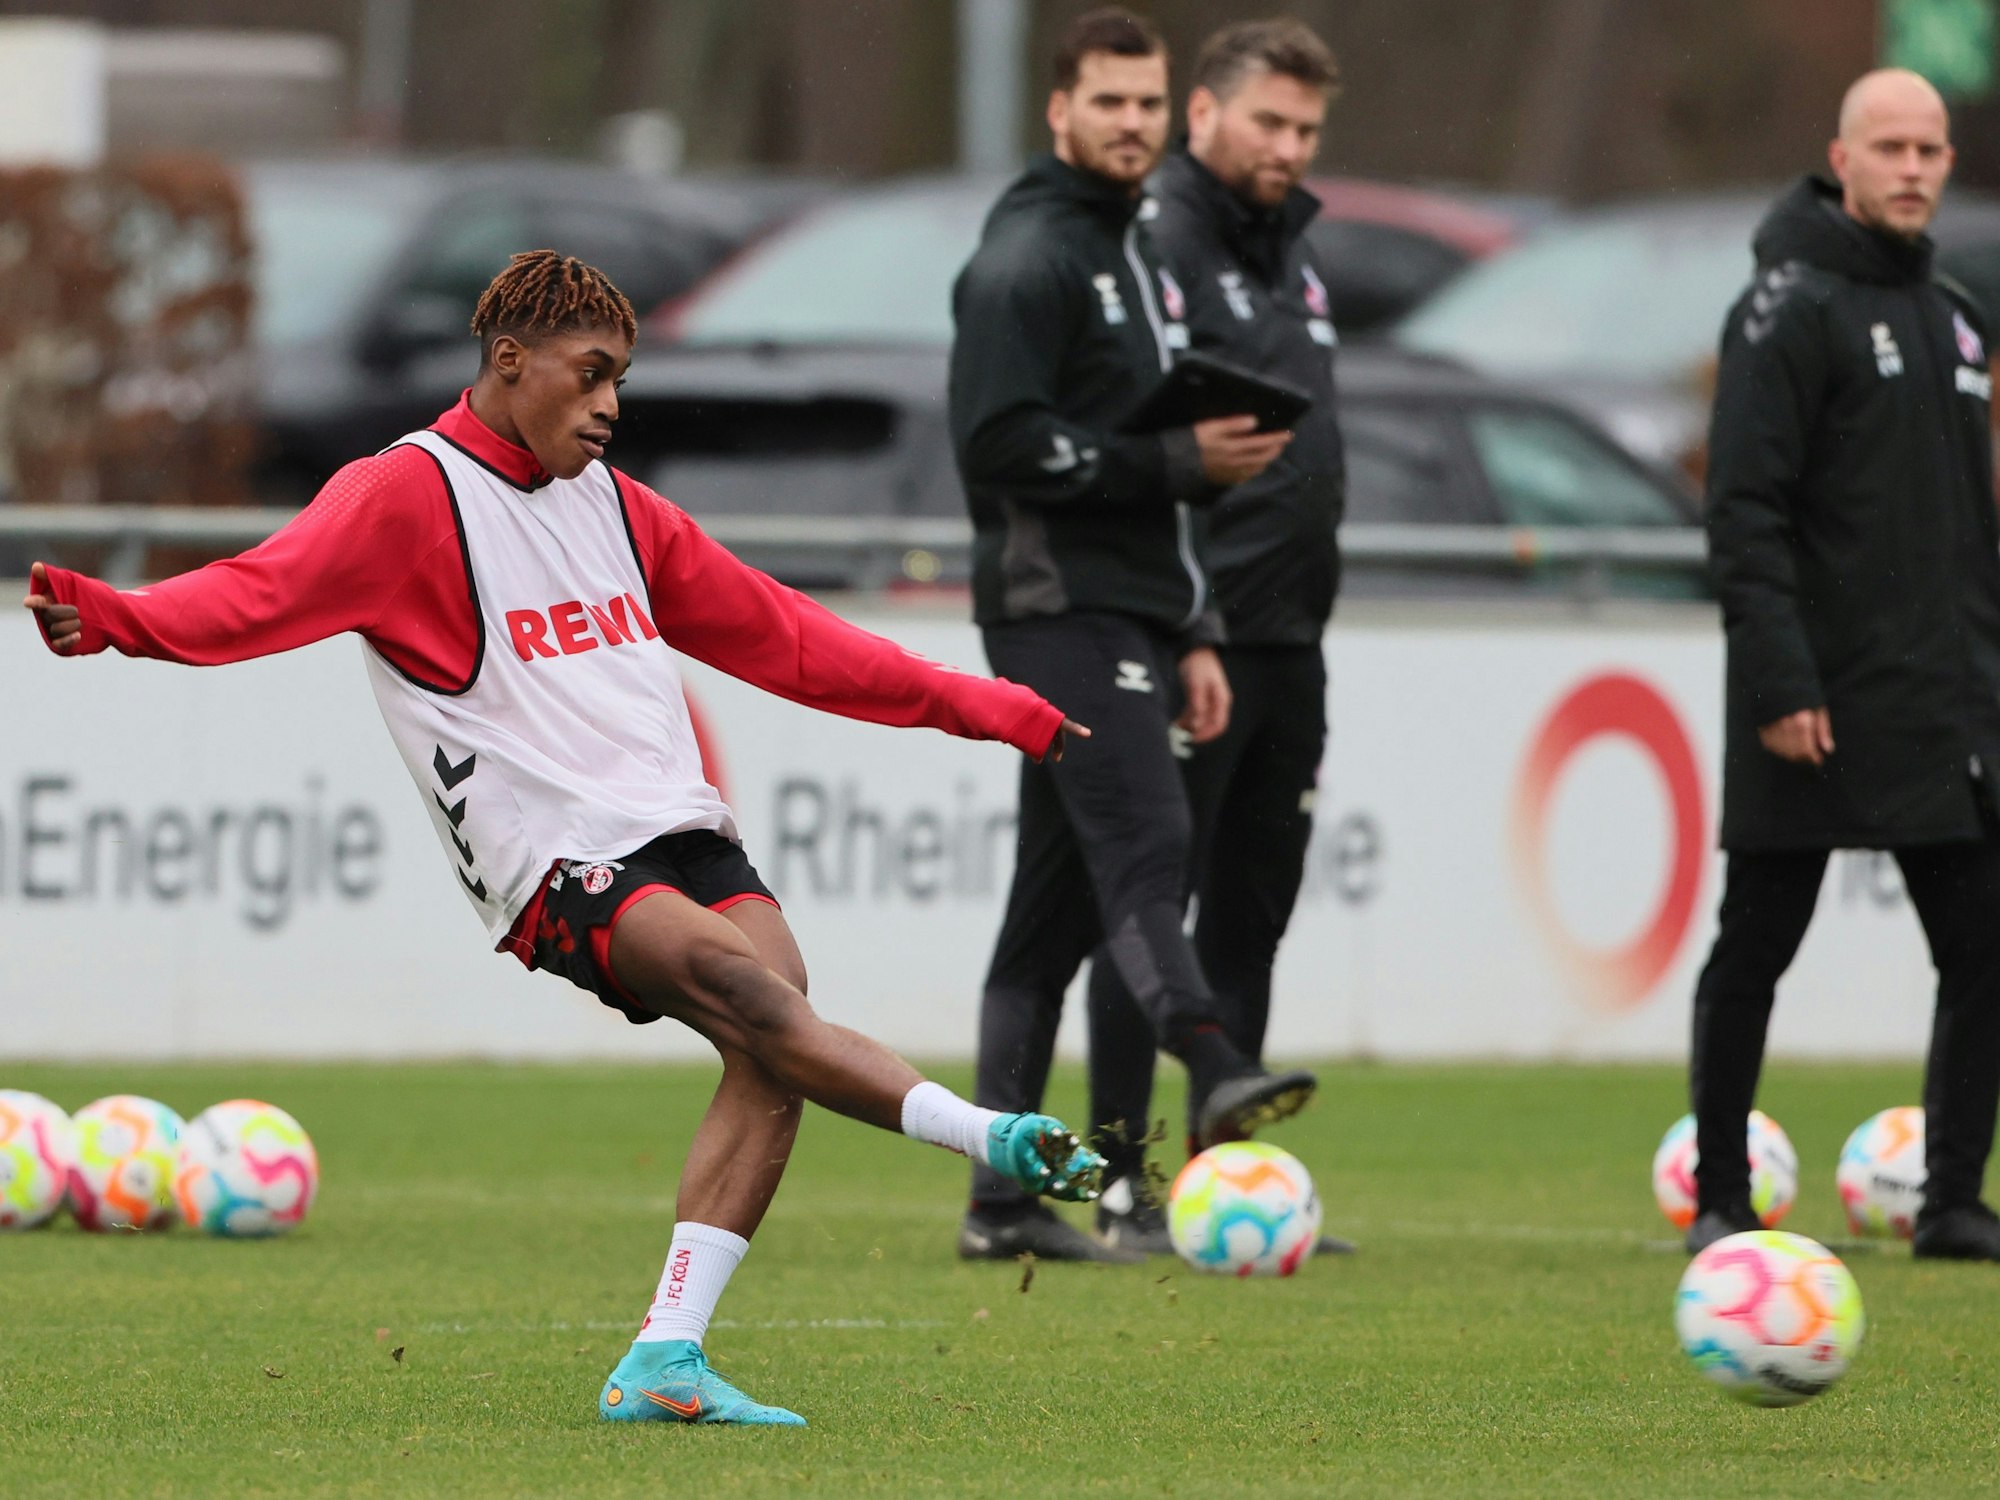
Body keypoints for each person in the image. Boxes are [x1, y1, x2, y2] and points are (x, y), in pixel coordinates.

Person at [24, 249, 1111, 1426]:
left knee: (776, 1035)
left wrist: (985, 706)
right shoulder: (408, 496)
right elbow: (258, 588)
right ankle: (989, 1136)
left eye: (619, 381)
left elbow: (792, 638)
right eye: (590, 374)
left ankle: (666, 1357)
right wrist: (117, 616)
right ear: (509, 361)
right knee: (752, 998)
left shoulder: (616, 507)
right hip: (550, 859)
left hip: (679, 825)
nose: (609, 405)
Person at [949, 7, 1315, 1265]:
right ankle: (1211, 1063)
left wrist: (1194, 627)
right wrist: (1172, 461)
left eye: (1146, 103)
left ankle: (999, 1201)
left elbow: (1157, 474)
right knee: (1150, 839)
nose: (1130, 123)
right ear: (1058, 110)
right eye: (1107, 101)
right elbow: (995, 442)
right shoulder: (1027, 258)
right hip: (1052, 610)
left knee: (1045, 921)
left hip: (1133, 613)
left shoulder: (1131, 248)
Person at [1688, 69, 2000, 1260]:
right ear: (1841, 159)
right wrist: (1780, 682)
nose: (1912, 168)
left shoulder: (1953, 314)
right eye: (1890, 148)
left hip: (1936, 705)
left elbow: (1960, 529)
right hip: (1814, 701)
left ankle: (1952, 1202)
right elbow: (1743, 511)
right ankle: (1720, 1197)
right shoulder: (1784, 307)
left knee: (1980, 946)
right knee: (1754, 948)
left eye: (1929, 149)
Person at [1081, 17, 1354, 1257]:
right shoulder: (1159, 241)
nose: (1288, 148)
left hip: (1292, 635)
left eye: (1306, 129)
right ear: (1202, 115)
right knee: (1154, 915)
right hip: (1197, 632)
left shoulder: (1291, 251)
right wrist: (1186, 616)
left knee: (1249, 917)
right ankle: (1119, 1180)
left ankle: (1221, 1185)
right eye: (1268, 123)